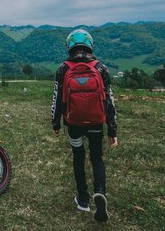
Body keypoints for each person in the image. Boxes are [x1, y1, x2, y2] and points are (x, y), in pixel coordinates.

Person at [51, 28, 118, 222]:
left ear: (70, 46)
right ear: (90, 45)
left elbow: (56, 99)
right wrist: (112, 129)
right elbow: (109, 102)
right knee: (97, 157)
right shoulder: (101, 68)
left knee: (78, 157)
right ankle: (100, 192)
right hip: (96, 122)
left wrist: (55, 122)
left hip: (73, 123)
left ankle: (82, 198)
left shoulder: (63, 69)